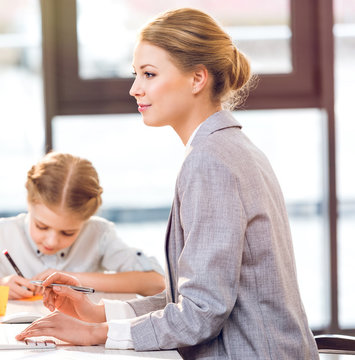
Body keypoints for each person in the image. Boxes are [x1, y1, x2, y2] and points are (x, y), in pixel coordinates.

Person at [16, 8, 319, 359]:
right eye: (136, 74)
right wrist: (98, 312)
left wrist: (95, 334)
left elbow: (201, 313)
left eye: (149, 74)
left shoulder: (212, 161)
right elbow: (192, 296)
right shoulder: (229, 146)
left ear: (197, 79)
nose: (134, 89)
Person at [0, 151, 165, 300]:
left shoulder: (98, 234)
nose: (52, 240)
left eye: (68, 232)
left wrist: (72, 278)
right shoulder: (1, 234)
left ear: (86, 220)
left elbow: (156, 283)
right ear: (29, 202)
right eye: (41, 226)